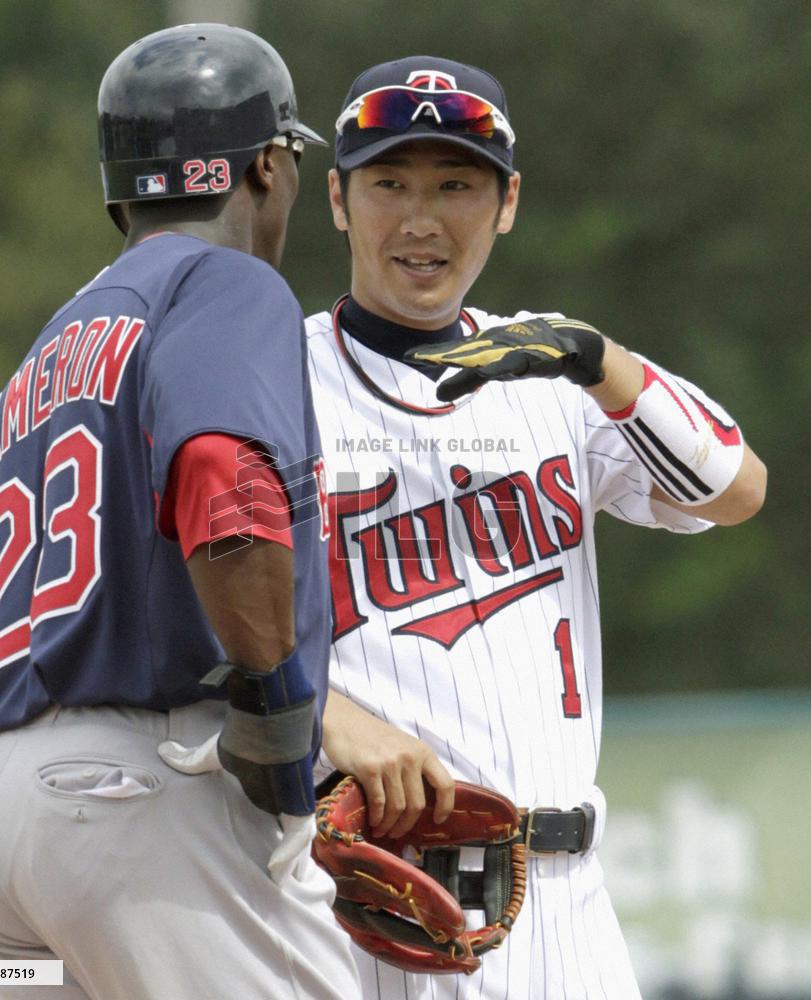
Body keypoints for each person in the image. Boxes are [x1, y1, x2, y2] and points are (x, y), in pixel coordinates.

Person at [305, 55, 767, 998]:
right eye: (389, 183)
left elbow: (733, 489)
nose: (421, 219)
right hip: (376, 894)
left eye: (456, 185)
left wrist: (595, 359)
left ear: (506, 202)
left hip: (570, 898)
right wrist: (323, 714)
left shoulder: (556, 376)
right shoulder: (275, 379)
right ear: (338, 200)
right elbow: (181, 614)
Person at [0, 24, 360, 1000]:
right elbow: (221, 473)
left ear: (119, 190)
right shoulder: (224, 281)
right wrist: (274, 704)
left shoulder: (44, 354)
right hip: (136, 797)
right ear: (268, 166)